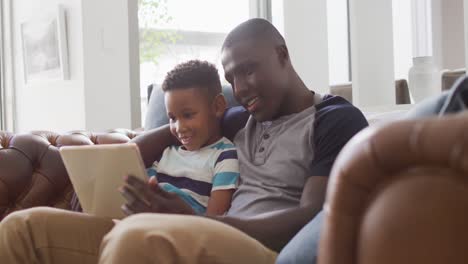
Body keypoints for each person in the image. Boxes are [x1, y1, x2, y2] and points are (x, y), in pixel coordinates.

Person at [0, 18, 368, 264]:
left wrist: (193, 220)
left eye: (248, 70)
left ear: (282, 55)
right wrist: (96, 177)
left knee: (138, 239)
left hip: (263, 251)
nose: (240, 88)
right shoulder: (242, 117)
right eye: (231, 77)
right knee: (21, 228)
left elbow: (311, 218)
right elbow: (163, 137)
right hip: (196, 238)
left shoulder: (335, 120)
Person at [136, 60, 239, 216]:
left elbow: (214, 222)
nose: (179, 128)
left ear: (217, 107)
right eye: (172, 118)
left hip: (185, 231)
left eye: (188, 115)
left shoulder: (225, 157)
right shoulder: (167, 152)